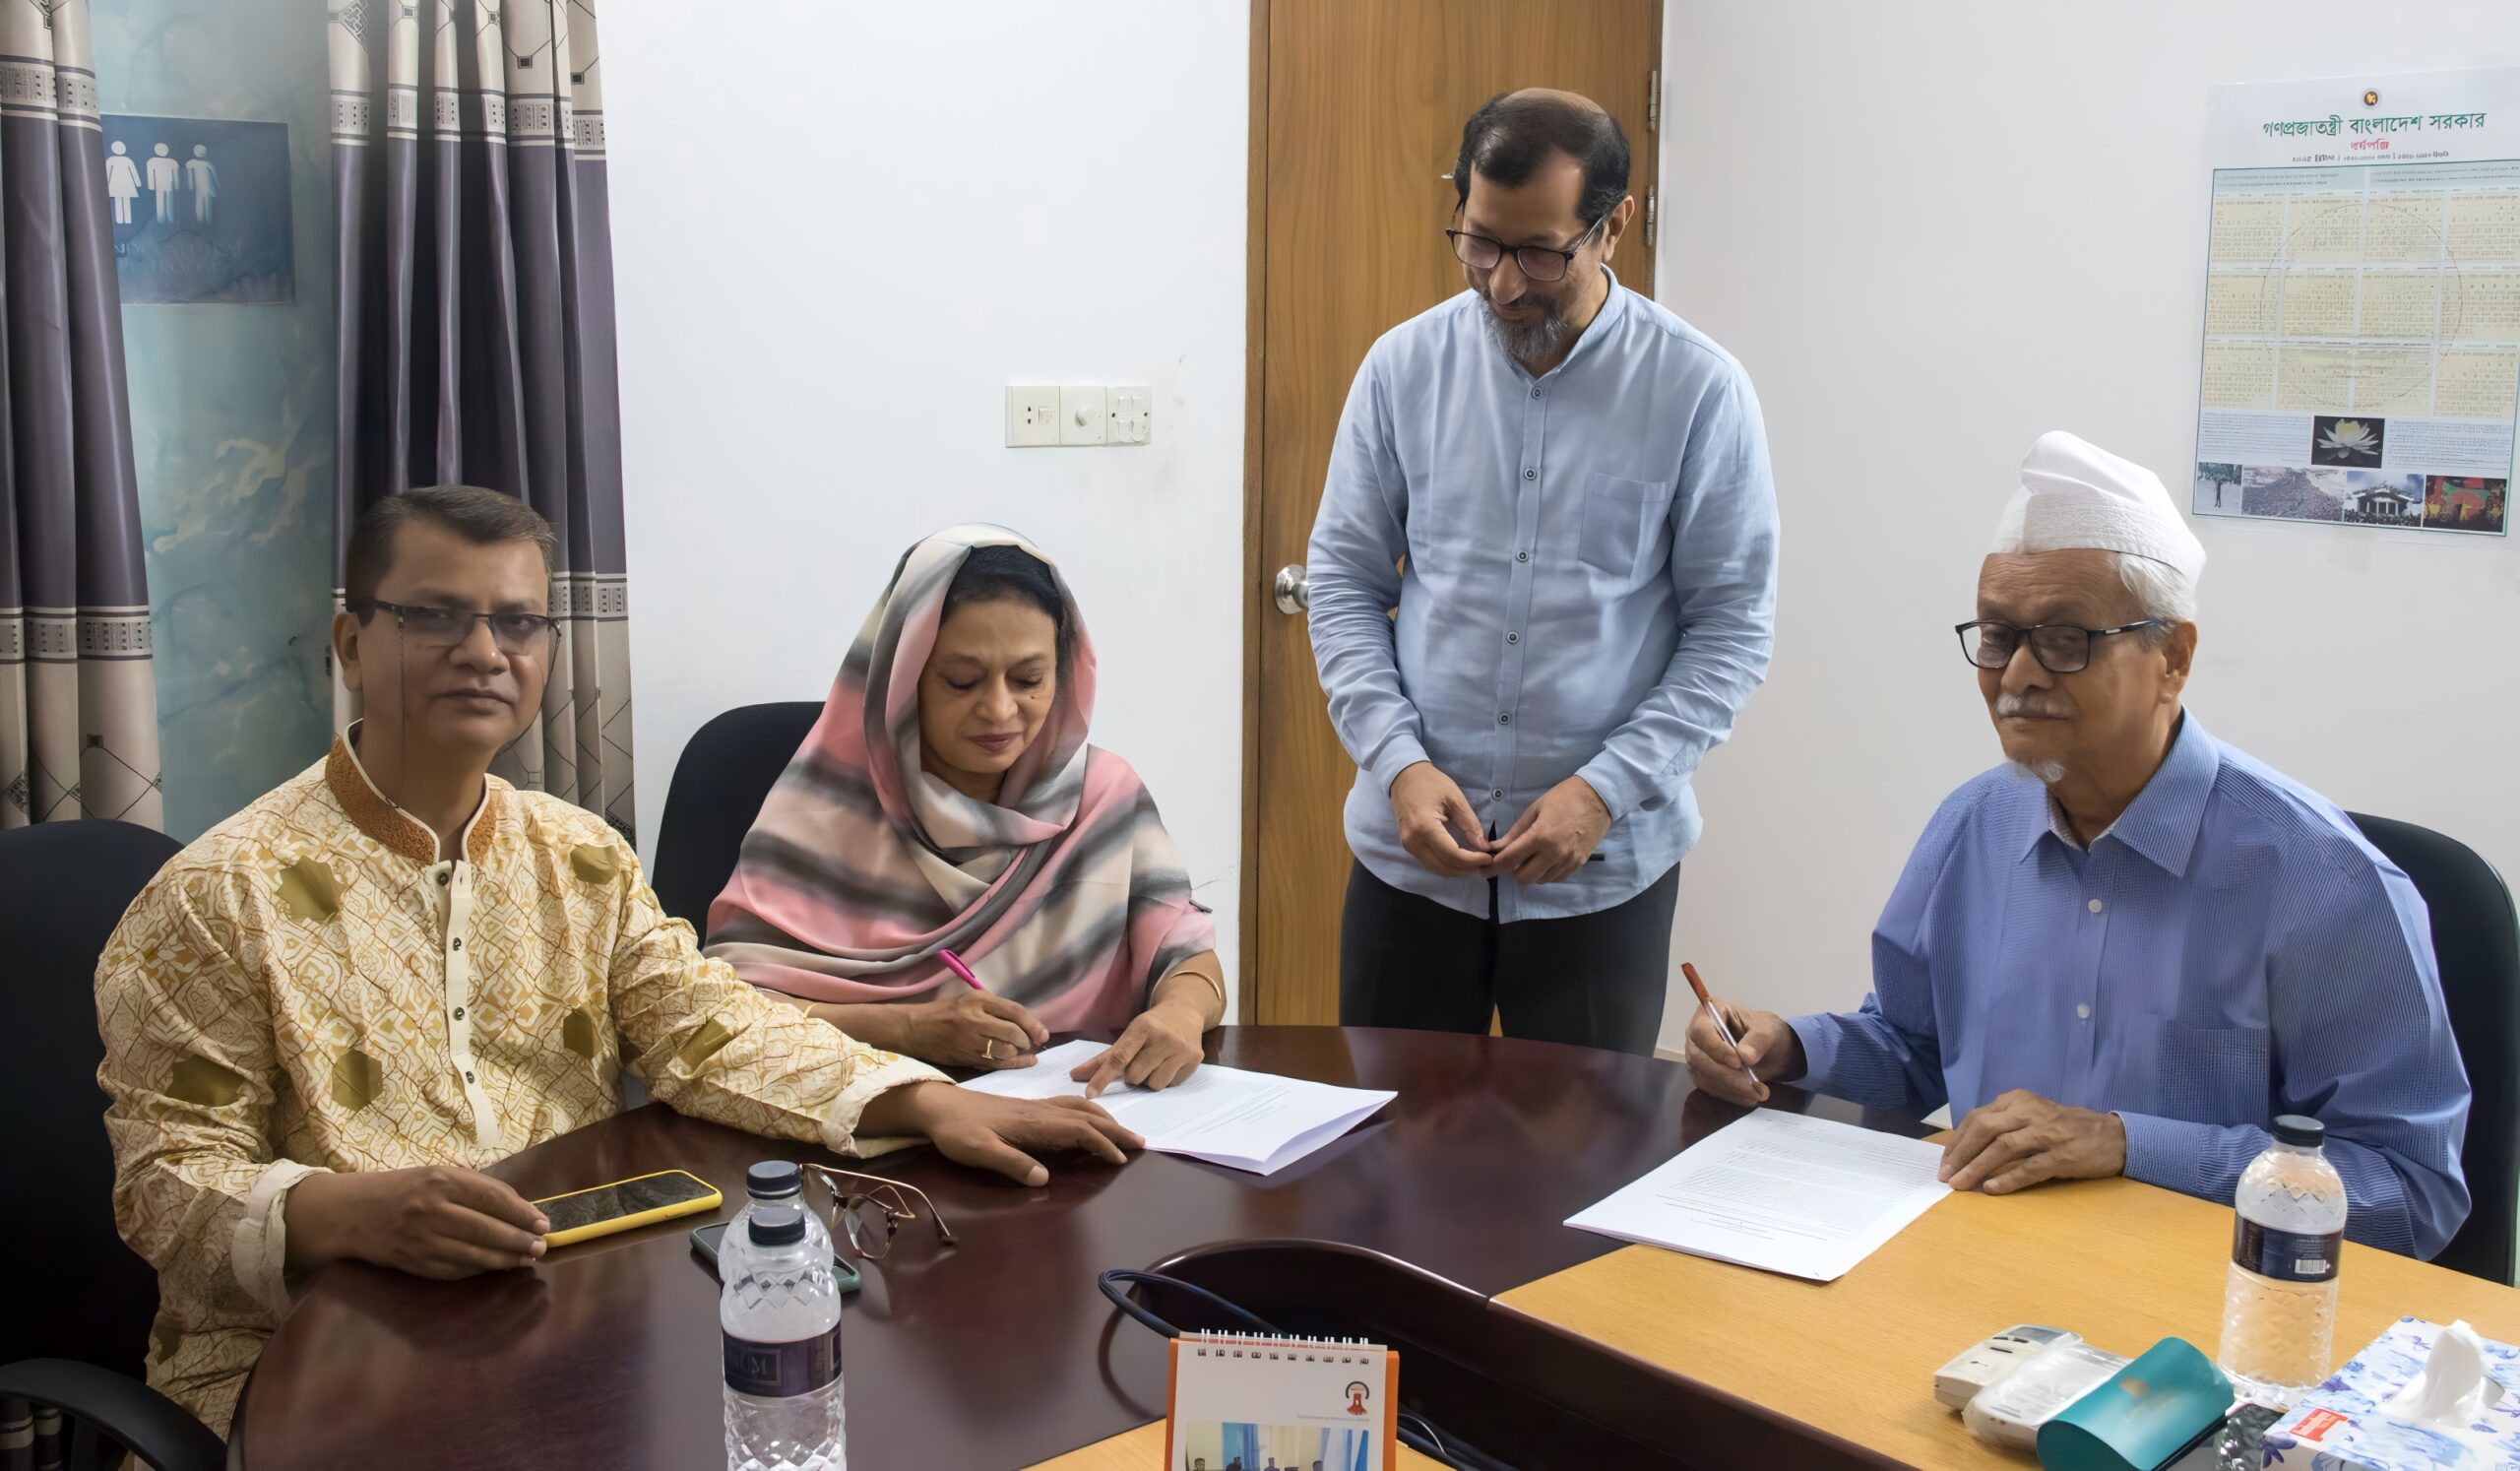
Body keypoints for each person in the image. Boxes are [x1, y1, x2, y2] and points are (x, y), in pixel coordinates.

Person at [95, 488, 1144, 1437]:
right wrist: (340, 1211)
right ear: (349, 643)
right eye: (434, 616)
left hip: (567, 1322)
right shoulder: (217, 893)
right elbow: (161, 1187)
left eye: (517, 622)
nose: (483, 650)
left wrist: (924, 1104)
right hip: (316, 1363)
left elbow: (710, 1026)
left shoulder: (580, 856)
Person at [1684, 431, 2471, 1258]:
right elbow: (1917, 1048)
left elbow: (2408, 1190)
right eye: (1997, 636)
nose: (2017, 676)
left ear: (2172, 658)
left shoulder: (2322, 881)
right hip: (1983, 1271)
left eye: (2065, 639)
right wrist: (1789, 1044)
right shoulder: (1974, 825)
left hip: (2200, 1312)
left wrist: (2131, 1144)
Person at [1306, 89, 1778, 1054]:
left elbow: (1730, 630)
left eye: (1540, 253)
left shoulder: (1698, 391)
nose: (1503, 286)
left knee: (1580, 1174)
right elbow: (1347, 580)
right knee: (1383, 1172)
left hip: (1600, 875)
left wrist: (1603, 789)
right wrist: (1396, 762)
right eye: (1479, 243)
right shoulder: (1403, 370)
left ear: (1614, 227)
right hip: (1411, 869)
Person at [710, 526, 1227, 1096]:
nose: (1000, 710)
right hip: (873, 1124)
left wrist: (1180, 1013)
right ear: (903, 681)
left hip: (1082, 1115)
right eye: (962, 680)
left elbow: (1186, 951)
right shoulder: (822, 815)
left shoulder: (1101, 798)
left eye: (1029, 679)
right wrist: (906, 1028)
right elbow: (725, 1012)